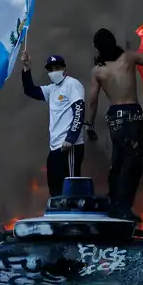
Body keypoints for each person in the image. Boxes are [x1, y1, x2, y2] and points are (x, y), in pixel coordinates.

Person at [84, 26, 143, 222]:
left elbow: (93, 99)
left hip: (115, 118)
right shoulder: (128, 58)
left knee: (118, 161)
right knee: (133, 164)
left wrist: (89, 124)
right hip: (132, 116)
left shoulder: (98, 70)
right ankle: (122, 207)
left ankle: (114, 202)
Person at [22, 49, 86, 196]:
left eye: (57, 68)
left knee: (70, 187)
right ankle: (59, 216)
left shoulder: (72, 84)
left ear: (64, 68)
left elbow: (79, 111)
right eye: (50, 69)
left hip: (70, 146)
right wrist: (26, 68)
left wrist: (70, 139)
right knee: (55, 187)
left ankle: (73, 217)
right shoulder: (51, 90)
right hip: (55, 147)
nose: (54, 71)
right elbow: (30, 90)